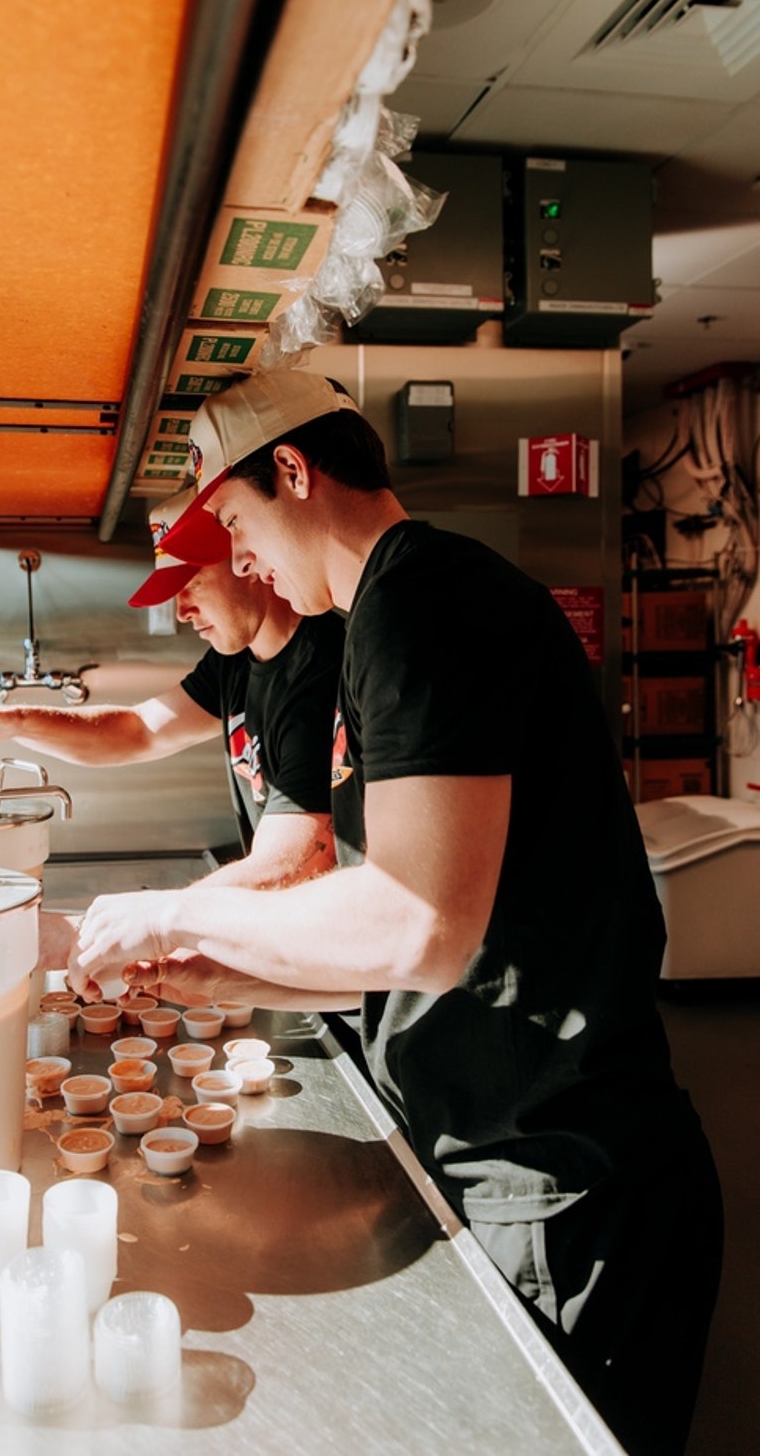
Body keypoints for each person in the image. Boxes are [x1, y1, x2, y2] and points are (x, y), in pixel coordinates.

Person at [69, 369, 723, 1456]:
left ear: (293, 471)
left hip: (561, 1178)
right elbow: (432, 930)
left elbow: (421, 924)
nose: (238, 560)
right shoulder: (392, 610)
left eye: (235, 522)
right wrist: (238, 973)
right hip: (515, 1152)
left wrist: (176, 912)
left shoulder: (419, 600)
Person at [0, 484, 345, 899]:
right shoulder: (236, 660)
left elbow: (295, 861)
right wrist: (9, 721)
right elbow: (139, 730)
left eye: (192, 582)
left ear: (244, 557)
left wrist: (153, 919)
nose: (181, 611)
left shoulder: (323, 671)